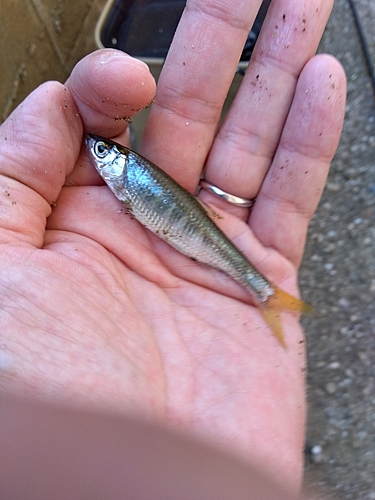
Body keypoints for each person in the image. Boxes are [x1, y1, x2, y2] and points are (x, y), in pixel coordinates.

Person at [0, 0, 345, 497]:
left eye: (104, 154)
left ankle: (262, 291)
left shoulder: (123, 174)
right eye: (103, 152)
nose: (99, 157)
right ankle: (263, 292)